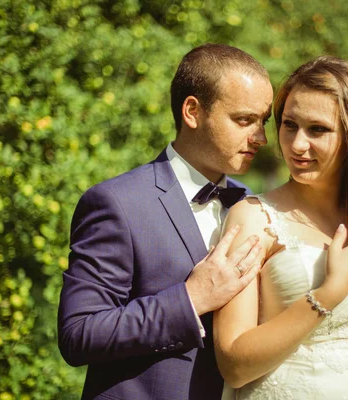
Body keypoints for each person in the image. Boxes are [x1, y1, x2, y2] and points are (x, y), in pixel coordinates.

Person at [58, 43, 273, 400]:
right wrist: (190, 299)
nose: (261, 137)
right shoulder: (117, 203)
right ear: (192, 111)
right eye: (244, 120)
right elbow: (78, 334)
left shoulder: (253, 207)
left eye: (263, 122)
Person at [213, 56, 348, 399]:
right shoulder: (254, 218)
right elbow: (234, 365)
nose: (297, 144)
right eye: (289, 125)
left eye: (318, 129)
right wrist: (329, 293)